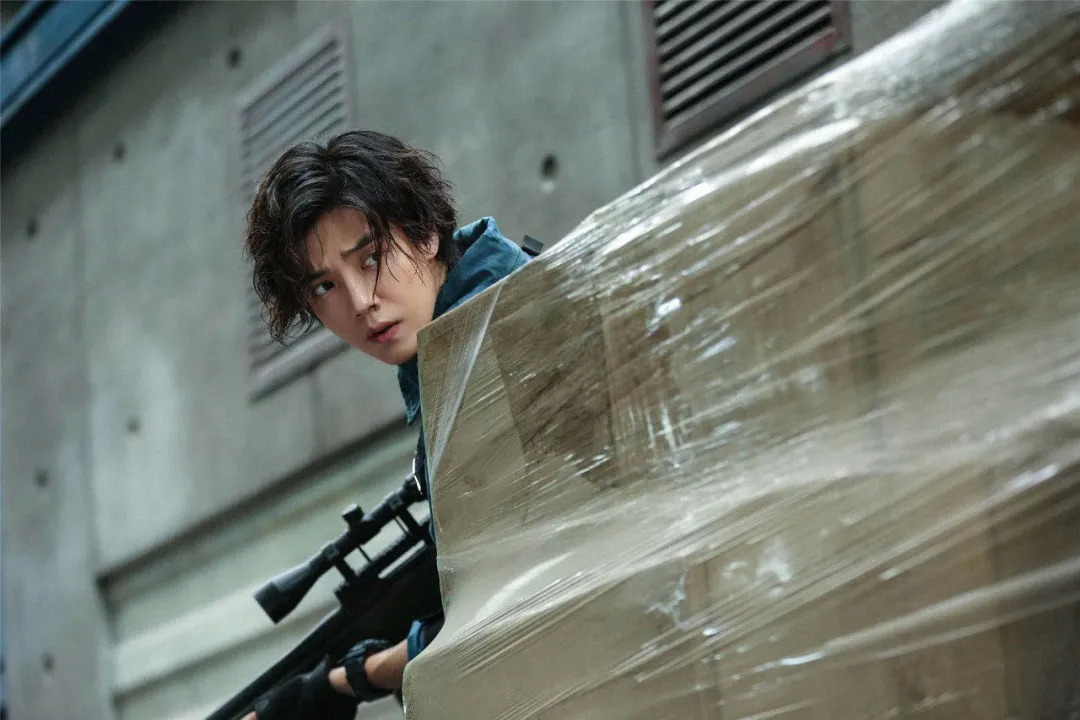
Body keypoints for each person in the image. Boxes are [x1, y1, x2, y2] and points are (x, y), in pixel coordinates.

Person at [240, 130, 531, 720]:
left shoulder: (497, 341)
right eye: (324, 286)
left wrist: (349, 680)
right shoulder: (459, 348)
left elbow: (516, 606)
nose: (359, 301)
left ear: (426, 233)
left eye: (370, 258)